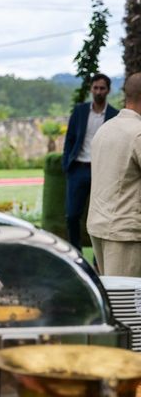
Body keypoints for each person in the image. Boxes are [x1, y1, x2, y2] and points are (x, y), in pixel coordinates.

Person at [88, 72, 141, 277]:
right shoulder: (137, 133)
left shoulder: (105, 128)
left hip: (100, 225)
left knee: (115, 295)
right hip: (125, 231)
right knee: (127, 303)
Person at [61, 73, 118, 250]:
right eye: (95, 87)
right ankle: (76, 254)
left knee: (102, 217)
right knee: (72, 215)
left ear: (108, 90)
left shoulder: (114, 115)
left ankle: (97, 258)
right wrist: (67, 166)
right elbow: (69, 139)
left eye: (102, 88)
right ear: (91, 89)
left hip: (102, 172)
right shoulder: (80, 111)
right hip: (78, 168)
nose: (98, 91)